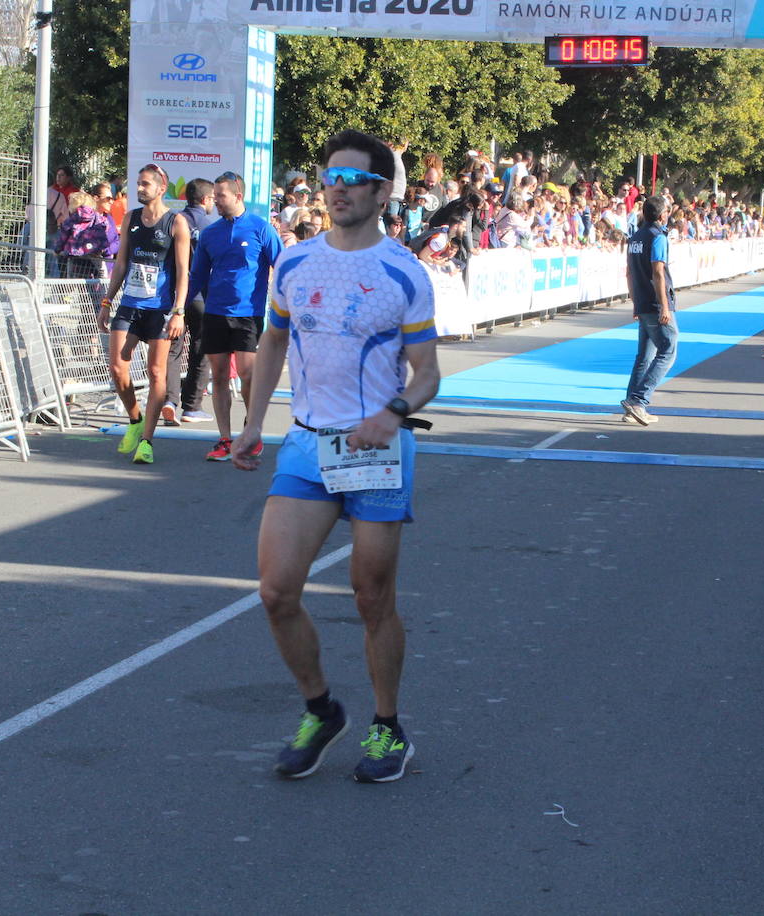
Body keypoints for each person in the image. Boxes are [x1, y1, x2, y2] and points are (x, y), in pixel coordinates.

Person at [230, 129, 440, 784]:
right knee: (275, 591)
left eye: (354, 180)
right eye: (331, 177)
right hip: (308, 443)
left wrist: (394, 414)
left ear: (382, 193)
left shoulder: (405, 272)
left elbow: (428, 374)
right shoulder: (293, 263)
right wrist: (252, 421)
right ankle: (321, 709)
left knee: (371, 596)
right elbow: (272, 344)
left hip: (376, 450)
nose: (339, 189)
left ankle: (387, 726)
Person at [97, 164, 191, 465]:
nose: (140, 189)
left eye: (146, 184)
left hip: (161, 309)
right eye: (138, 183)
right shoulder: (131, 218)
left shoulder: (176, 223)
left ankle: (147, 441)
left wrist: (179, 311)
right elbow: (121, 263)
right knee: (117, 367)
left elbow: (182, 273)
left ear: (161, 189)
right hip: (130, 304)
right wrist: (107, 301)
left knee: (155, 373)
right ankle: (135, 420)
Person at [190, 170, 283, 461]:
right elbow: (197, 275)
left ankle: (251, 430)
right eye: (214, 196)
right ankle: (225, 439)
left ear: (237, 196)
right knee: (218, 376)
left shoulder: (260, 228)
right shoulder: (209, 233)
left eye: (221, 196)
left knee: (247, 374)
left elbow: (282, 266)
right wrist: (177, 307)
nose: (215, 201)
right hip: (215, 312)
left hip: (248, 314)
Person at [621, 196, 677, 427]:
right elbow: (658, 273)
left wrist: (635, 301)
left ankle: (631, 404)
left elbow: (629, 272)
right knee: (668, 350)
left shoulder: (635, 237)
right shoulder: (658, 237)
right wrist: (665, 305)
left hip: (642, 301)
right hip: (655, 303)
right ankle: (639, 400)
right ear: (662, 214)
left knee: (644, 356)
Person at [166, 177, 217, 425]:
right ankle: (192, 406)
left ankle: (168, 400)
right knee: (201, 349)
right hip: (201, 296)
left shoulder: (176, 221)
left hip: (175, 295)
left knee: (173, 350)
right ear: (206, 199)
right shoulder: (211, 226)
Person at [55, 190, 120, 280]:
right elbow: (105, 225)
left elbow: (63, 235)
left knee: (73, 276)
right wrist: (102, 246)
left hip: (75, 251)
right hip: (95, 250)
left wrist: (57, 250)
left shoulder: (72, 219)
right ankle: (104, 288)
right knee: (102, 272)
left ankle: (71, 290)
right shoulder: (96, 216)